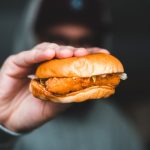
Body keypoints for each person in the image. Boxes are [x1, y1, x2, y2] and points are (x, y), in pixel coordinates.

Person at [0, 0, 144, 150]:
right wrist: (4, 129)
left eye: (84, 41)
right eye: (59, 40)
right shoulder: (13, 110)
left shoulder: (116, 124)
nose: (73, 52)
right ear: (34, 39)